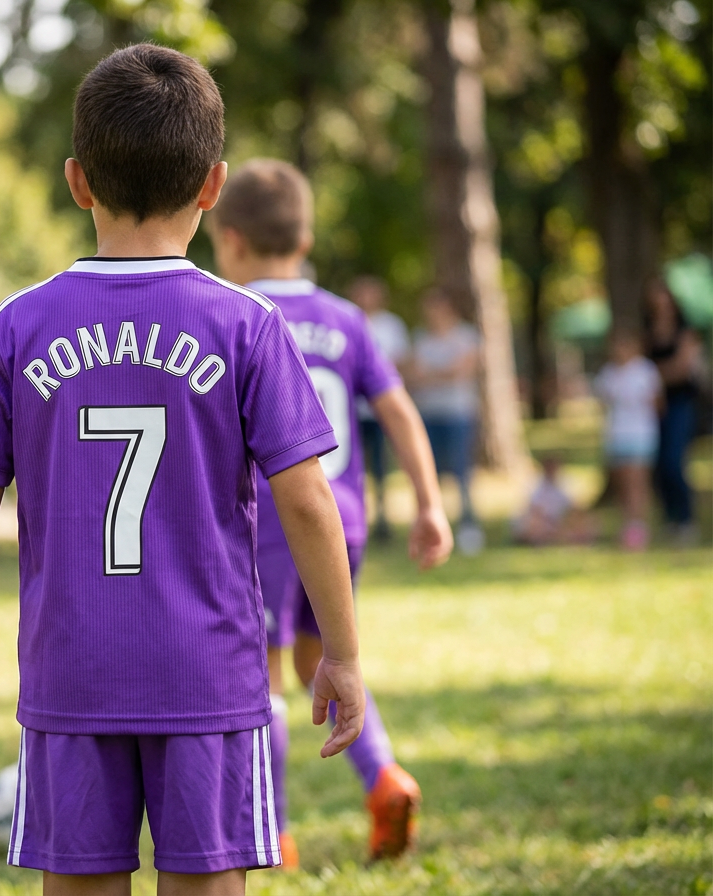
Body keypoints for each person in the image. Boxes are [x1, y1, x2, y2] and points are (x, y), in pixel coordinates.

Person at [0, 46, 366, 896]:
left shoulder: (19, 325)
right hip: (210, 672)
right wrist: (341, 653)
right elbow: (308, 504)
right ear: (213, 184)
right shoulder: (245, 324)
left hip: (70, 671)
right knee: (206, 883)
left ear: (76, 181)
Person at [207, 159, 453, 867]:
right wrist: (430, 504)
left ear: (230, 240)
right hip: (342, 520)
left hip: (268, 525)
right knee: (327, 655)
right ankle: (383, 777)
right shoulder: (348, 319)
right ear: (306, 236)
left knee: (264, 672)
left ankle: (273, 830)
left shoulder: (235, 315)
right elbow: (399, 410)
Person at [406, 288, 484, 554]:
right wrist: (442, 373)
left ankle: (468, 524)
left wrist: (431, 374)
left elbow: (462, 371)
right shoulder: (420, 338)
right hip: (428, 414)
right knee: (430, 474)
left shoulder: (466, 335)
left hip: (458, 414)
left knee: (462, 471)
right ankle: (432, 527)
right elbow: (413, 375)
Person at [348, 275, 410, 542]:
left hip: (377, 411)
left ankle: (384, 516)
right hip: (351, 412)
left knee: (382, 467)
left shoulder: (390, 326)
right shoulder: (349, 319)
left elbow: (400, 363)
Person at [643, 277, 704, 544]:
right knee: (657, 465)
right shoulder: (647, 332)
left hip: (681, 404)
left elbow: (682, 369)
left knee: (673, 462)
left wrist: (651, 376)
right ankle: (670, 519)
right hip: (654, 408)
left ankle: (687, 519)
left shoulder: (686, 331)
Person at [593, 330, 664, 550]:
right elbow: (601, 402)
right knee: (623, 484)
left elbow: (658, 404)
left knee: (638, 482)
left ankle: (640, 526)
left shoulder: (645, 371)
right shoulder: (609, 373)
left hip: (641, 435)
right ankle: (628, 526)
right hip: (617, 435)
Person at [510, 455, 593, 546]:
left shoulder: (566, 484)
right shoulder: (535, 485)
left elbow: (575, 508)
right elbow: (533, 511)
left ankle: (555, 537)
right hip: (542, 522)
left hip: (558, 522)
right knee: (534, 525)